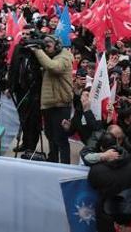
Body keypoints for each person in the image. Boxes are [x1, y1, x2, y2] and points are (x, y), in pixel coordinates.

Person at [30, 35, 74, 164]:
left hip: (61, 104)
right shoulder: (49, 57)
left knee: (60, 138)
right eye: (44, 46)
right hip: (49, 104)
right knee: (50, 136)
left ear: (58, 45)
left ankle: (66, 166)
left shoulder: (64, 57)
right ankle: (53, 161)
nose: (46, 48)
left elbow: (54, 67)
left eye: (48, 45)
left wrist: (38, 51)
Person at [88, 132, 131, 232]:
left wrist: (99, 157)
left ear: (101, 148)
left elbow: (92, 184)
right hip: (127, 209)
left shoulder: (97, 170)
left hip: (107, 213)